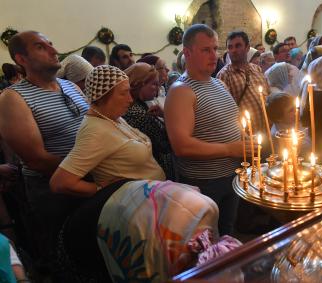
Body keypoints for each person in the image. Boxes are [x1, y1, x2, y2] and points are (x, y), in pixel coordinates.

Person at [50, 65, 228, 281]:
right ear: (103, 95)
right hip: (136, 218)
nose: (129, 98)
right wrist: (98, 189)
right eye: (123, 93)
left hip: (152, 208)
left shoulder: (113, 117)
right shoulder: (94, 131)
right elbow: (60, 182)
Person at [0, 31, 89, 267]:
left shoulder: (70, 86)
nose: (53, 50)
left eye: (51, 43)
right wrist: (89, 168)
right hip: (53, 191)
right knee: (68, 254)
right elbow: (36, 159)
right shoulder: (13, 98)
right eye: (41, 47)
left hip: (87, 175)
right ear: (21, 59)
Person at [164, 24, 244, 235]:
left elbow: (229, 122)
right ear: (187, 53)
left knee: (228, 231)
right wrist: (230, 149)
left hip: (231, 175)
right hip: (205, 181)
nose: (214, 55)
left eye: (216, 49)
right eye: (206, 50)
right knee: (206, 241)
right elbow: (182, 146)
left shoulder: (218, 83)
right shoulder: (181, 91)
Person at [123, 63, 175, 180]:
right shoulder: (137, 114)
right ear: (139, 84)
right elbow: (166, 144)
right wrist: (168, 117)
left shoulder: (138, 105)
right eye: (154, 84)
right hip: (154, 175)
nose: (157, 89)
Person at [217, 31, 270, 134]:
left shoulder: (257, 69)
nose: (233, 50)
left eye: (238, 46)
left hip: (266, 131)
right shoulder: (224, 75)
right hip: (245, 136)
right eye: (230, 47)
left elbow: (267, 95)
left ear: (247, 48)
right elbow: (224, 112)